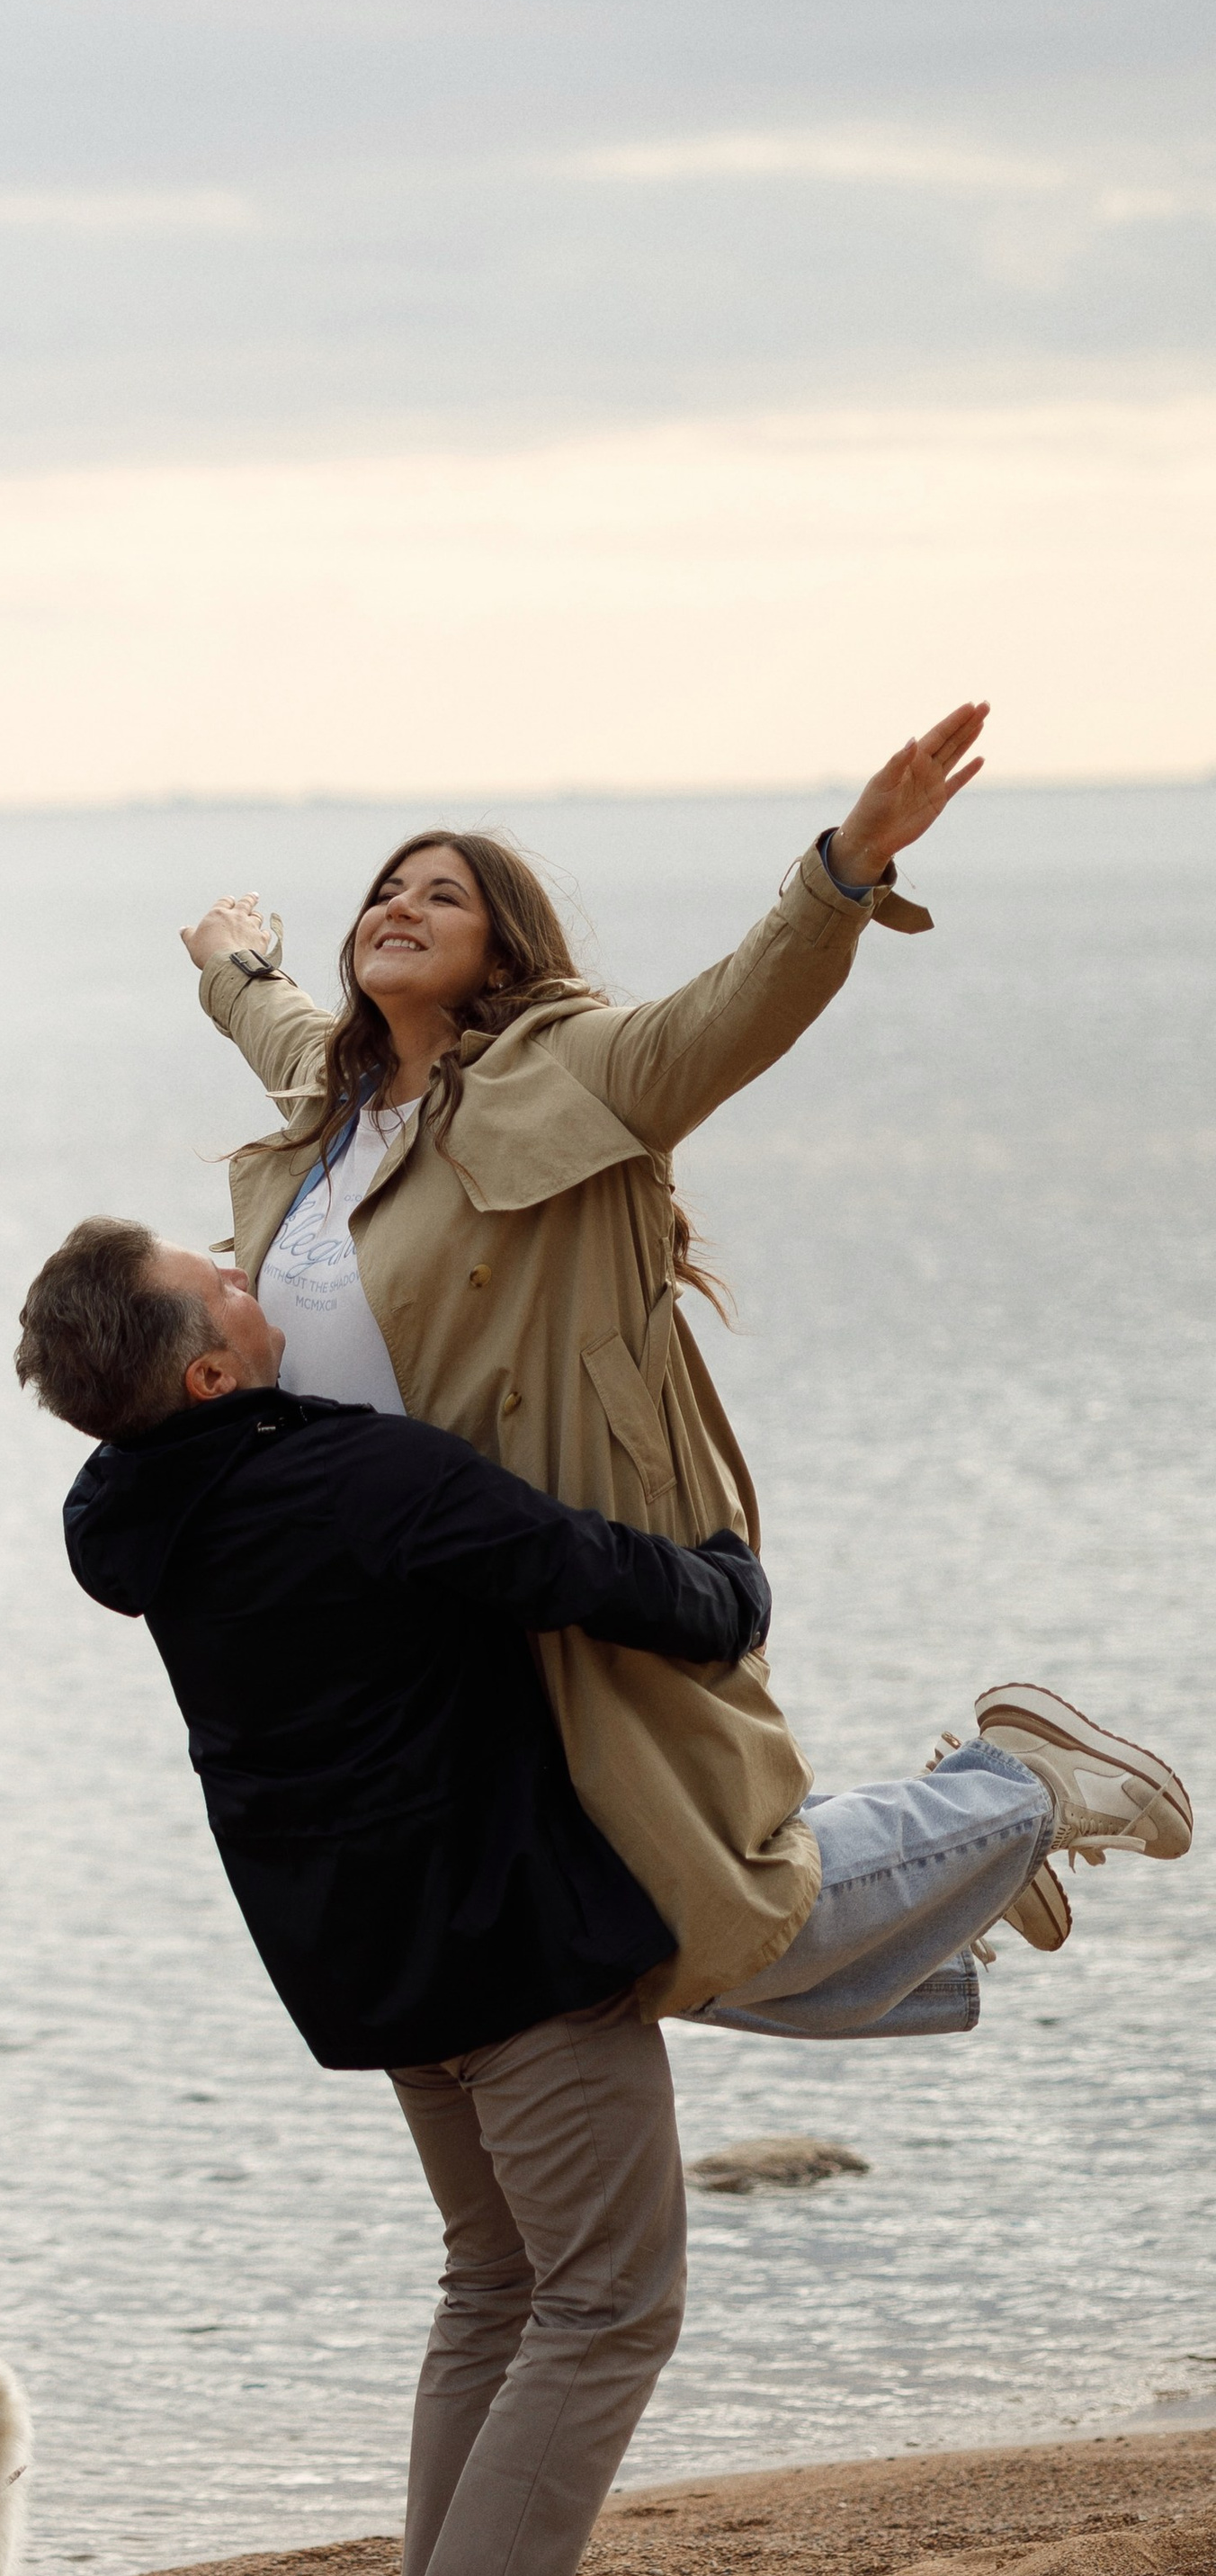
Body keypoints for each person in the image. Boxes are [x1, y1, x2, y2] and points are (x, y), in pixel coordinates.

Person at [13, 1219, 1192, 2576]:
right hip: (508, 1950)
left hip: (373, 1967)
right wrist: (729, 1565)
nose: (239, 1256)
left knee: (496, 2286)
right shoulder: (360, 1483)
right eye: (209, 1272)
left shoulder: (136, 1512)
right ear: (212, 1368)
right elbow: (640, 1591)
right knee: (608, 2305)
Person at [174, 703, 1116, 1990]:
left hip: (569, 1543)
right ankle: (960, 1877)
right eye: (383, 892)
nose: (397, 906)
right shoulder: (328, 1109)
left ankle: (1014, 1798)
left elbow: (741, 1009)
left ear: (501, 944)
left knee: (666, 1914)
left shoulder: (579, 1073)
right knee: (569, 1934)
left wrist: (843, 871)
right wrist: (234, 963)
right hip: (415, 1602)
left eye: (440, 896)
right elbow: (271, 1024)